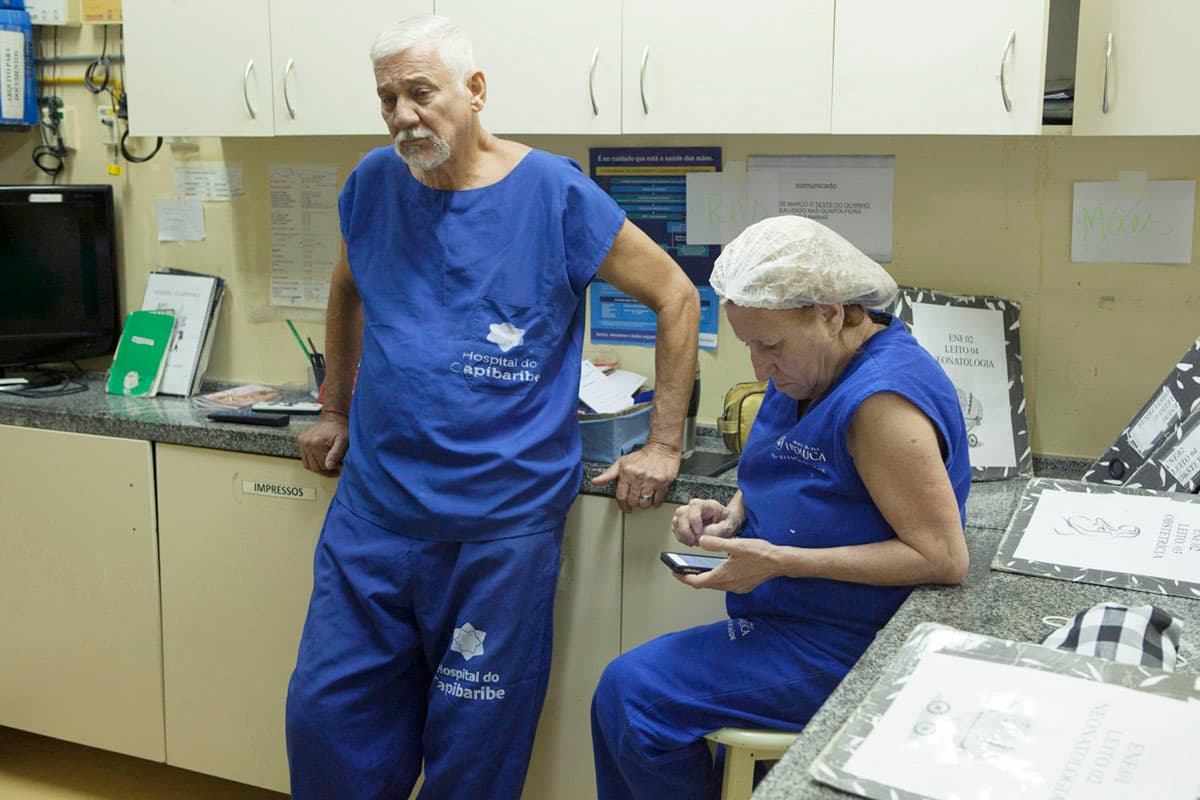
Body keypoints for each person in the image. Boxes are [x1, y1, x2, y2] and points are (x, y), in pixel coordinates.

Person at [284, 14, 700, 800]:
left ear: (475, 92)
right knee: (325, 726)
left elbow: (677, 296)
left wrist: (665, 445)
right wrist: (335, 408)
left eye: (420, 92)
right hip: (374, 521)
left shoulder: (553, 193)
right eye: (387, 99)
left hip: (498, 533)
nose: (404, 115)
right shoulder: (372, 183)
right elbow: (346, 288)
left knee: (472, 755)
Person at [591, 215, 972, 799]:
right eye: (749, 345)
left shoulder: (881, 403)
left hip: (851, 640)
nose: (759, 368)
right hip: (781, 618)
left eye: (770, 345)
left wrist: (781, 560)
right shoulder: (806, 369)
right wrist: (737, 513)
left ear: (832, 310)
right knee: (643, 705)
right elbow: (795, 461)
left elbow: (943, 557)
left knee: (631, 694)